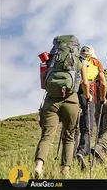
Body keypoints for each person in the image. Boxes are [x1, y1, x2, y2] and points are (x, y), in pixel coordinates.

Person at [34, 35, 89, 178]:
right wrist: (87, 96)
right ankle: (65, 171)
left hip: (51, 100)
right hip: (71, 101)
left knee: (46, 136)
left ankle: (39, 166)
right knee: (69, 137)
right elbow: (85, 82)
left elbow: (42, 83)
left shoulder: (49, 58)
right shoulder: (80, 59)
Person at [74, 46, 107, 170]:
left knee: (72, 128)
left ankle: (68, 158)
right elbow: (103, 83)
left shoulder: (75, 59)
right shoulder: (95, 62)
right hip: (87, 93)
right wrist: (102, 98)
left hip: (71, 93)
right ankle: (81, 152)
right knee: (87, 127)